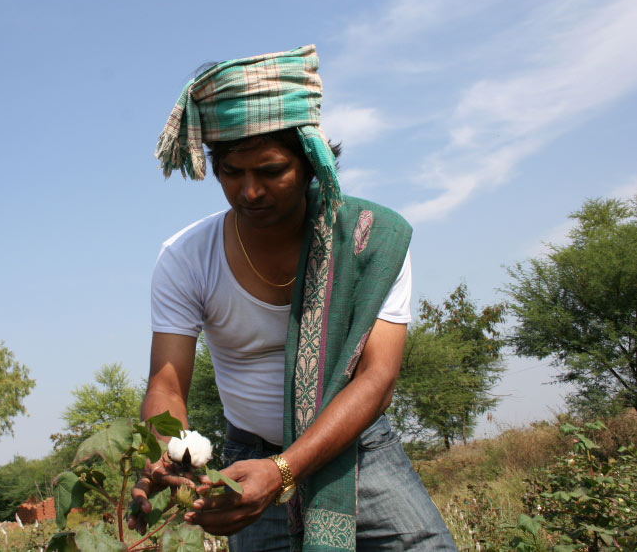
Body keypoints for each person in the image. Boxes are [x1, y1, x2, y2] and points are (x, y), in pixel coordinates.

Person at [129, 45, 456, 551]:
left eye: (271, 170)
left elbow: (378, 380)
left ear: (312, 162)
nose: (250, 192)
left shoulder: (371, 242)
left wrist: (283, 472)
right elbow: (167, 387)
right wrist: (169, 452)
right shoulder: (186, 258)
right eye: (232, 172)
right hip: (246, 458)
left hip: (359, 448)